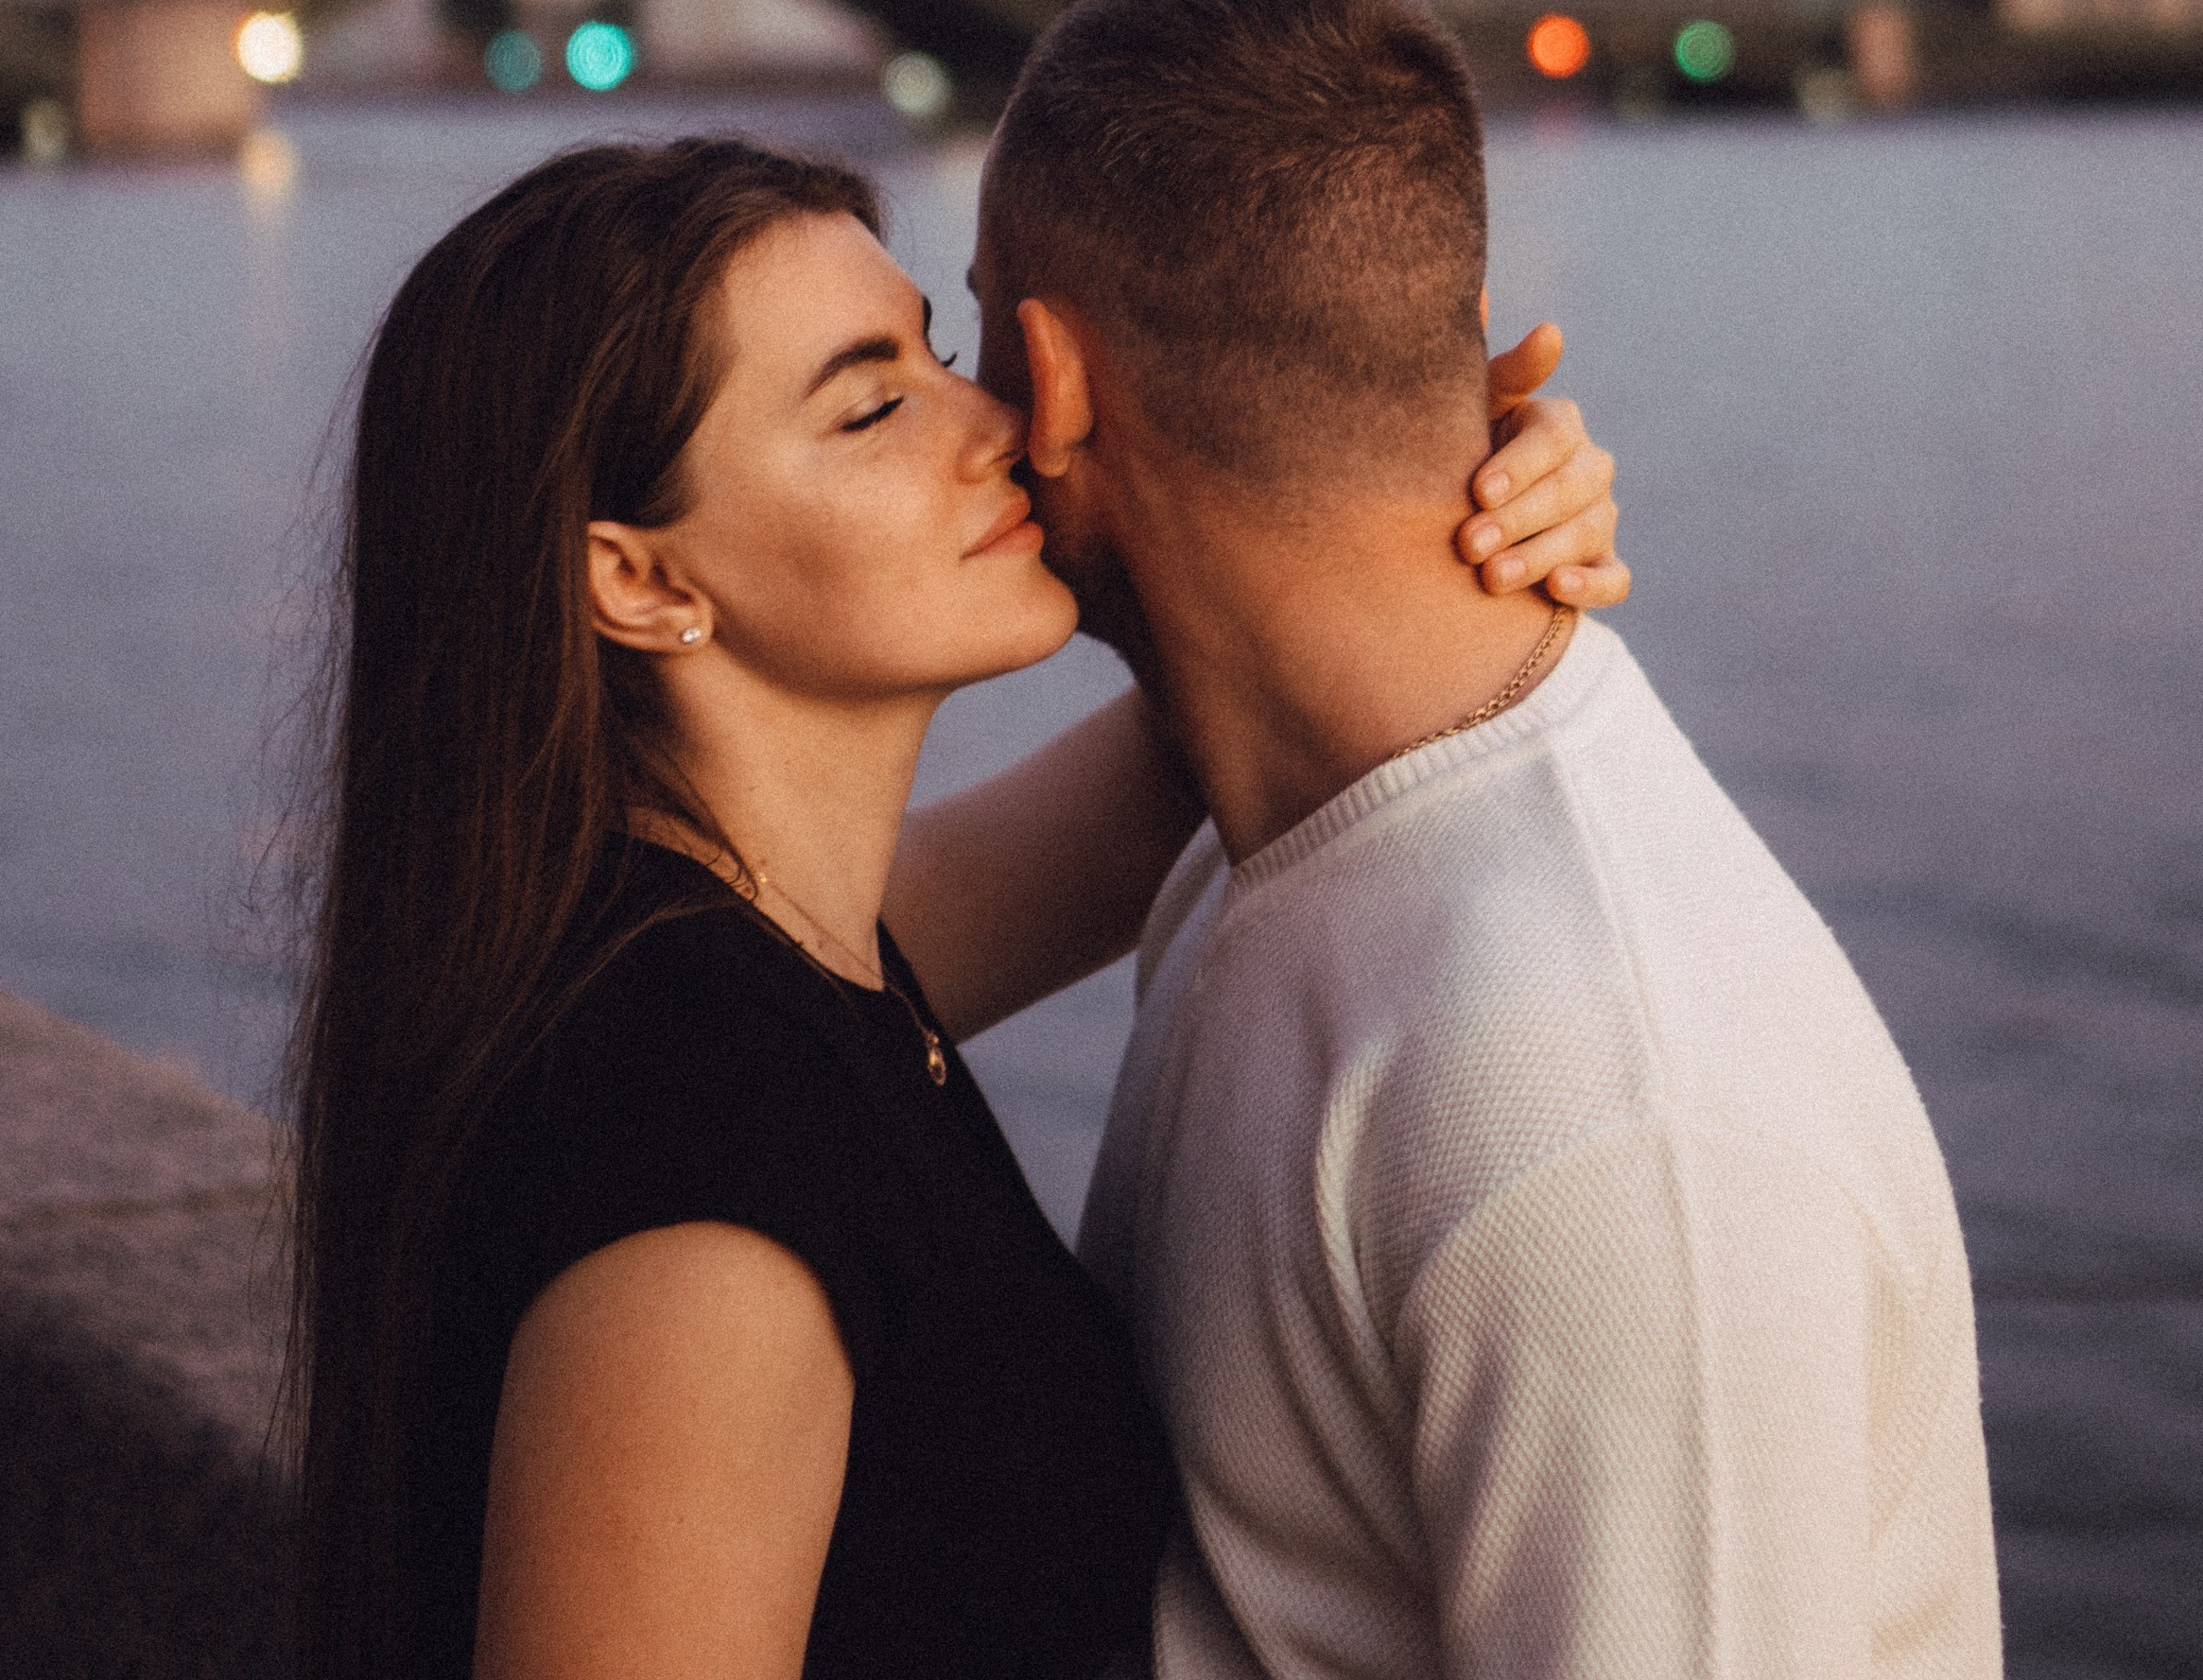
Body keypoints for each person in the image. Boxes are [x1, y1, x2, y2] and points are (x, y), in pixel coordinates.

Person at [287, 130, 1626, 1680]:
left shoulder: (754, 952)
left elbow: (1261, 694)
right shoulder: (709, 1170)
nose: (996, 422)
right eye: (869, 407)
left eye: (935, 348)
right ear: (642, 583)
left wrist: (1432, 488)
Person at [973, 0, 2004, 1680]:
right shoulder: (1257, 846)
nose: (962, 418)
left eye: (966, 334)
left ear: (1055, 381)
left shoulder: (1617, 1122)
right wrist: (1429, 486)